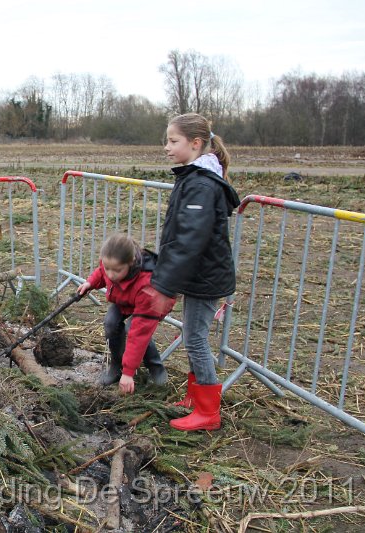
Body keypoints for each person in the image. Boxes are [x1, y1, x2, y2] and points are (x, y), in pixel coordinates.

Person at [149, 113, 241, 432]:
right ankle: (194, 397)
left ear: (196, 143)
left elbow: (190, 240)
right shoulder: (193, 178)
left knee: (196, 338)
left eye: (173, 141)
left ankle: (208, 411)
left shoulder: (201, 184)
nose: (167, 147)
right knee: (193, 335)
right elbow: (180, 234)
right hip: (199, 275)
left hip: (206, 277)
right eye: (167, 141)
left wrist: (164, 284)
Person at [77, 233, 176, 395]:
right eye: (108, 268)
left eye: (116, 270)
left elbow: (140, 332)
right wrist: (90, 282)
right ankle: (116, 365)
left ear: (131, 262)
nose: (110, 275)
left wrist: (129, 373)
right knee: (110, 322)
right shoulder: (112, 265)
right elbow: (101, 272)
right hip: (126, 298)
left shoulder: (148, 286)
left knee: (134, 330)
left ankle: (157, 370)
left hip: (154, 303)